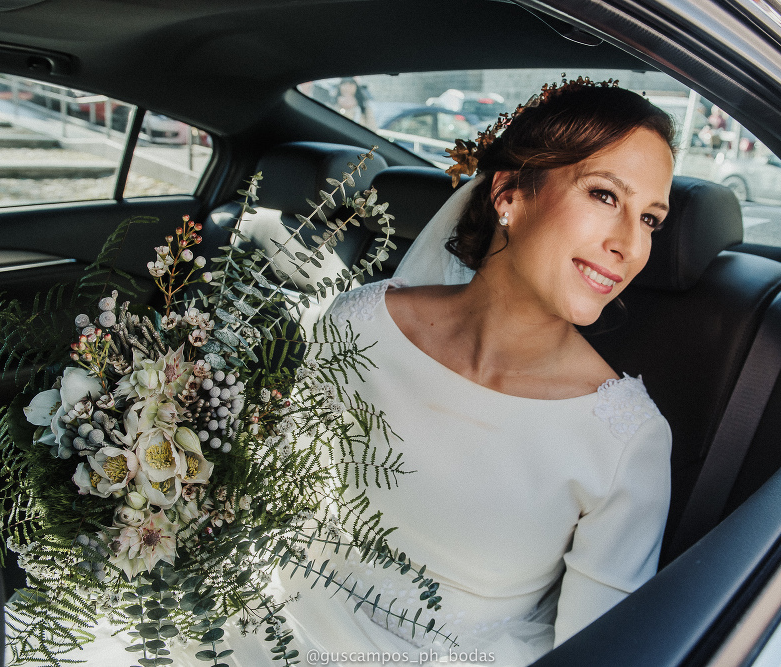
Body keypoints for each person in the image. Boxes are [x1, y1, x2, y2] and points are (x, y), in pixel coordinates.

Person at [55, 78, 675, 667]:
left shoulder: (625, 438)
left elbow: (601, 653)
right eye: (605, 195)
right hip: (253, 628)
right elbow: (265, 493)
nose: (630, 243)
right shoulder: (360, 322)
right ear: (510, 193)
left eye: (650, 218)